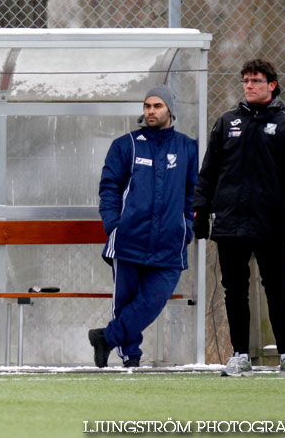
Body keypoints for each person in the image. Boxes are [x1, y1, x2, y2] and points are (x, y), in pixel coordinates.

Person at [193, 59, 285, 377]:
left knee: (276, 288)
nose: (249, 85)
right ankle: (240, 355)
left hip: (270, 223)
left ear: (272, 84)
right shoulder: (227, 122)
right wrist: (201, 211)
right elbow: (209, 172)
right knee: (234, 289)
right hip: (230, 223)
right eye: (245, 80)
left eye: (256, 80)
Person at [88, 85, 198, 368]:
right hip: (128, 238)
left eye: (157, 106)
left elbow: (194, 194)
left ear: (170, 110)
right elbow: (109, 188)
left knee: (153, 300)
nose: (151, 111)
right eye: (147, 106)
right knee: (125, 300)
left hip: (170, 242)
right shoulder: (126, 144)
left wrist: (187, 226)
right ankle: (131, 358)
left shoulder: (187, 147)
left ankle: (107, 337)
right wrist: (114, 225)